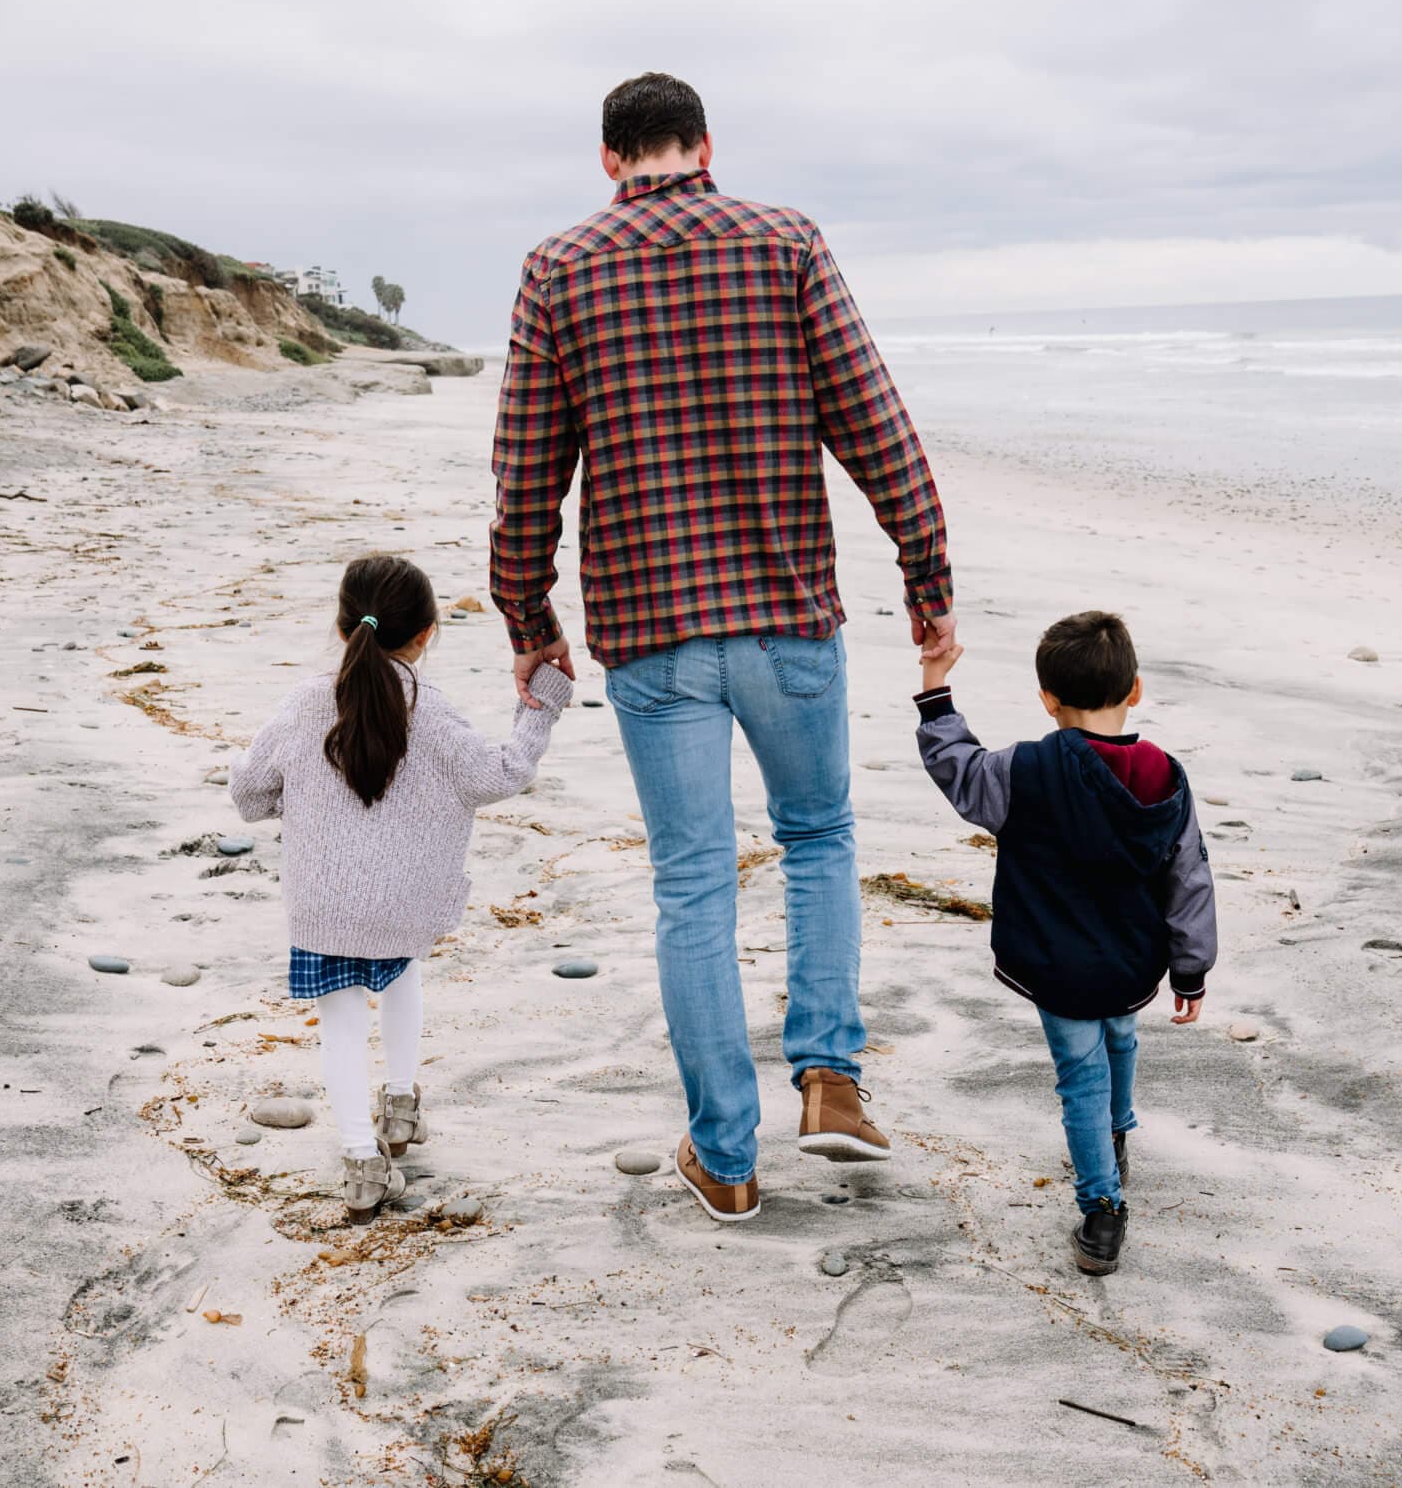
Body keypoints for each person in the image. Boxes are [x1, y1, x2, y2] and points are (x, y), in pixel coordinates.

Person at [490, 71, 956, 1223]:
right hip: (788, 611)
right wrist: (926, 574)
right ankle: (830, 1078)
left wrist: (528, 620)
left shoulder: (558, 269)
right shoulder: (785, 240)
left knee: (693, 881)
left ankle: (727, 1156)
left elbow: (525, 475)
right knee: (816, 834)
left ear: (608, 160)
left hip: (650, 630)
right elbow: (872, 419)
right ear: (704, 145)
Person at [231, 553, 571, 1218]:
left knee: (341, 1024)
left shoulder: (305, 704)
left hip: (324, 905)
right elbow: (500, 775)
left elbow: (248, 794)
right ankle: (402, 1105)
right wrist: (543, 707)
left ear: (340, 626)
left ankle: (362, 1163)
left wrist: (302, 806)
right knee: (400, 967)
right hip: (406, 902)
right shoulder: (433, 712)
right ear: (426, 633)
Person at [911, 610, 1216, 1274]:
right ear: (1135, 689)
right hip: (1132, 961)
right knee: (1121, 1038)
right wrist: (1191, 970)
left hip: (1056, 964)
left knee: (1082, 1076)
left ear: (1047, 699)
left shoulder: (1025, 770)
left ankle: (1102, 1208)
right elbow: (1189, 875)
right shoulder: (1164, 775)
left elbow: (958, 771)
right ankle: (1116, 1135)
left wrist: (936, 688)